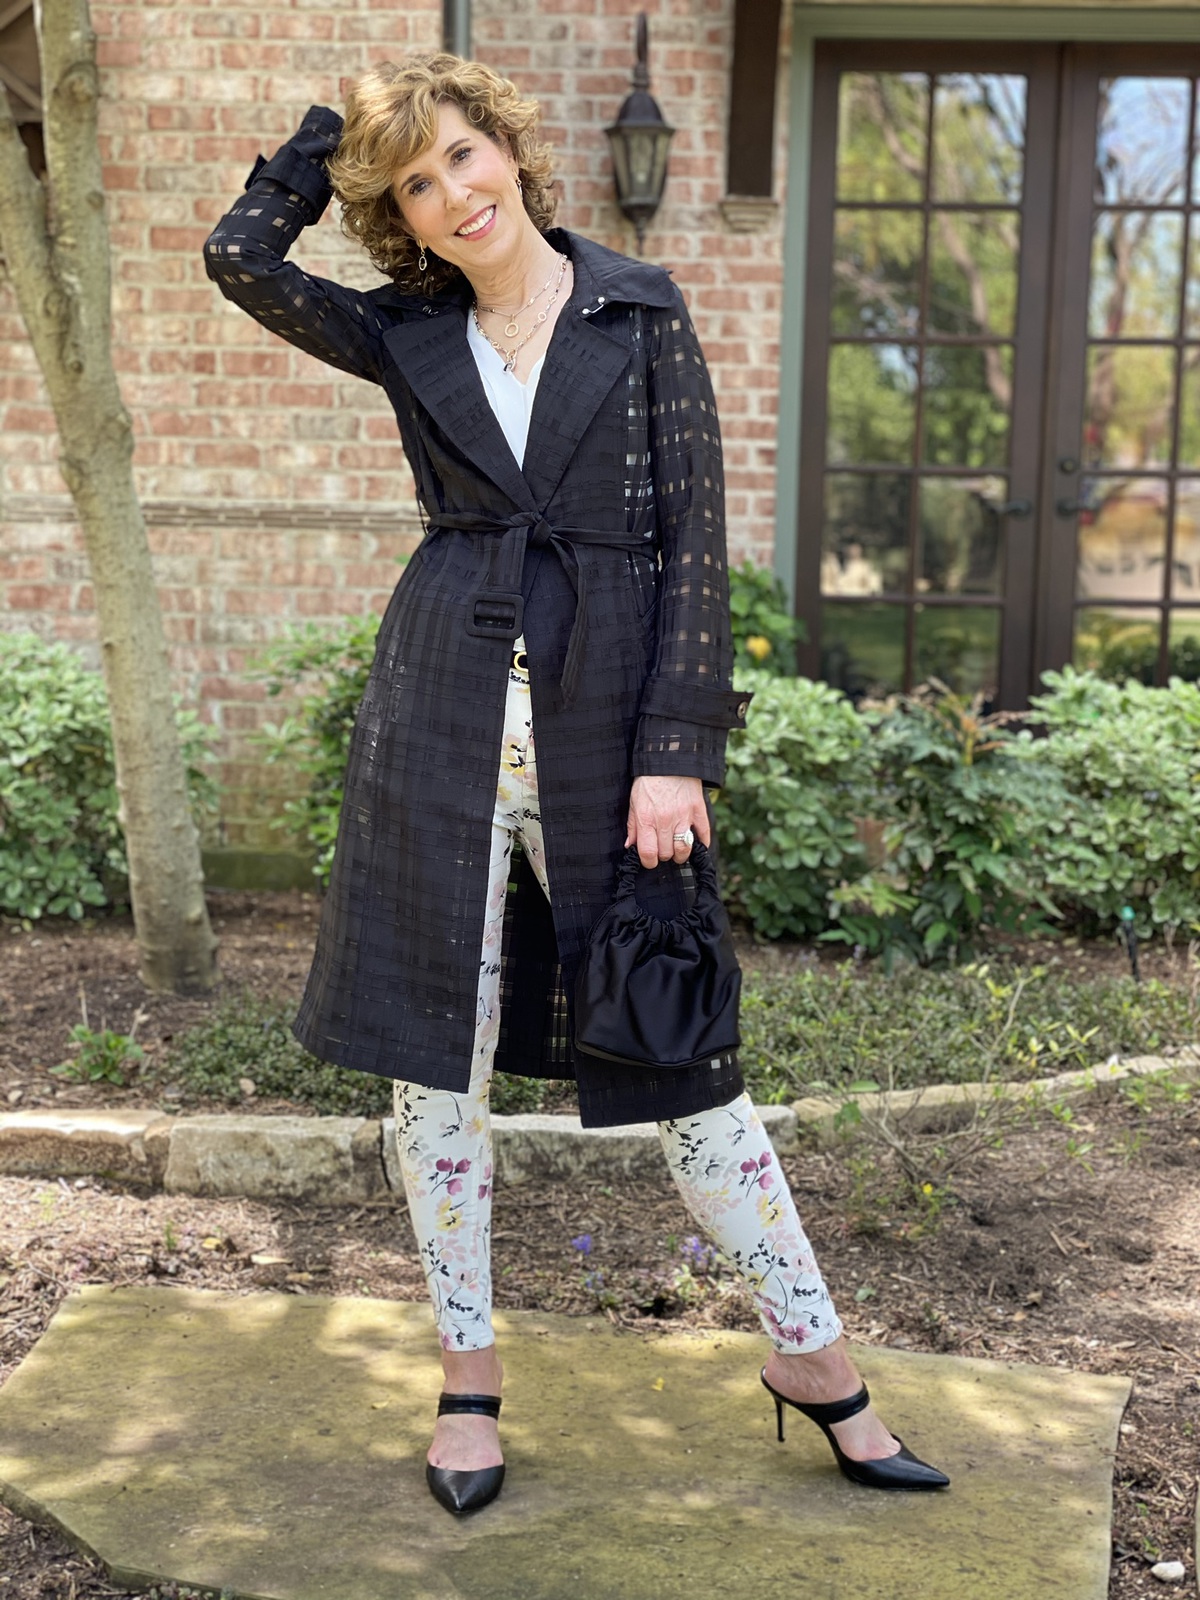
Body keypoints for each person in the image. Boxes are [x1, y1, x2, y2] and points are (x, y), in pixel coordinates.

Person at [203, 52, 948, 1515]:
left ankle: (812, 1353)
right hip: (438, 724)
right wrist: (325, 137)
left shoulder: (640, 307)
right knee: (438, 1066)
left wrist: (681, 751)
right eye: (416, 183)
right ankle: (467, 1379)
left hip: (612, 732)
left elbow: (697, 545)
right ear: (401, 215)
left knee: (686, 1056)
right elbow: (238, 255)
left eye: (462, 158)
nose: (451, 194)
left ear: (513, 154)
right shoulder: (406, 334)